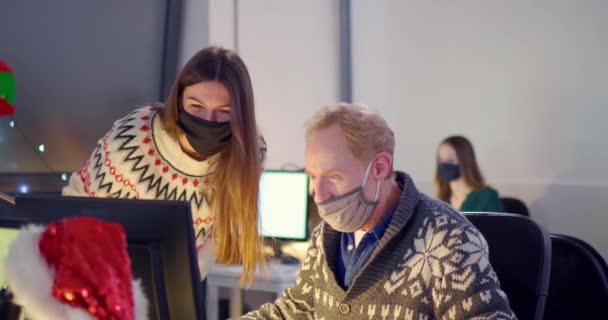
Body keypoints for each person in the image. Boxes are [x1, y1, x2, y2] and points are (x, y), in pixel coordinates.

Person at [241, 103, 515, 319]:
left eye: (333, 176)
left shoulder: (447, 240)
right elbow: (297, 311)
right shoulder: (327, 237)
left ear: (380, 167)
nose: (319, 195)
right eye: (313, 177)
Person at [62, 46, 266, 284]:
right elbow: (76, 207)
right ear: (178, 100)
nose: (208, 121)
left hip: (178, 280)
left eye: (223, 112)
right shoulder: (132, 138)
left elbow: (219, 233)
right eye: (196, 106)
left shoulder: (249, 150)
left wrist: (184, 281)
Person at [435, 135, 503, 212]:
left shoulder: (487, 196)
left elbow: (498, 223)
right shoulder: (440, 201)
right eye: (440, 160)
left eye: (451, 159)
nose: (444, 165)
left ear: (466, 161)